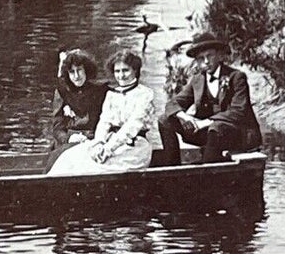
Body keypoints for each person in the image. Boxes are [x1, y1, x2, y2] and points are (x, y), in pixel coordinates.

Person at [46, 48, 158, 175]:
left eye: (125, 70)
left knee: (89, 169)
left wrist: (107, 149)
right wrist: (99, 143)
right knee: (67, 160)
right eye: (117, 71)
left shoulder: (145, 94)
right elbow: (104, 122)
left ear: (135, 71)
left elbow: (131, 127)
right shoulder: (112, 94)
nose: (121, 75)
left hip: (133, 146)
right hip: (108, 142)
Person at [159, 32, 263, 165]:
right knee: (164, 120)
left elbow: (239, 111)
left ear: (219, 56)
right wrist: (183, 116)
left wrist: (206, 122)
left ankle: (207, 172)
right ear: (196, 62)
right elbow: (173, 103)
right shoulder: (197, 80)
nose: (206, 62)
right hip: (210, 134)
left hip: (237, 135)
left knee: (216, 127)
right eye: (201, 58)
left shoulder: (236, 77)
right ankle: (171, 168)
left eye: (210, 56)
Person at [46, 48, 108, 167]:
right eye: (72, 72)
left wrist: (93, 138)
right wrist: (68, 138)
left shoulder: (100, 91)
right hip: (68, 143)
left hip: (93, 141)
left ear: (87, 71)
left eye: (79, 70)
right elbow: (57, 127)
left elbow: (106, 122)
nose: (76, 76)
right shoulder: (62, 92)